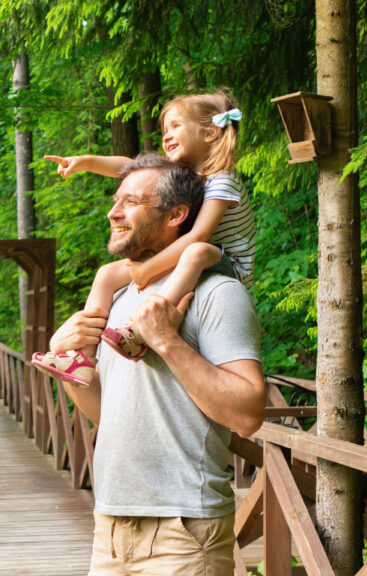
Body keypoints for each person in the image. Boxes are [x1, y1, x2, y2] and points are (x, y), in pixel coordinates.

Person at [49, 153, 266, 575]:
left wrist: (166, 340)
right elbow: (104, 413)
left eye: (131, 202)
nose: (113, 212)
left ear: (176, 215)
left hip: (183, 531)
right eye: (115, 200)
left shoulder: (216, 292)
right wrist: (66, 363)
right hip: (109, 525)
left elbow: (248, 414)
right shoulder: (118, 297)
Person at [32, 91, 255, 387]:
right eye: (164, 130)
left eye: (175, 126)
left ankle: (139, 331)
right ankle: (81, 360)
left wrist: (146, 270)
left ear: (210, 132)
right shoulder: (186, 174)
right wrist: (86, 161)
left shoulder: (222, 180)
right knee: (106, 275)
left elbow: (200, 235)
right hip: (197, 252)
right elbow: (129, 166)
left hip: (227, 262)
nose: (166, 136)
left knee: (197, 251)